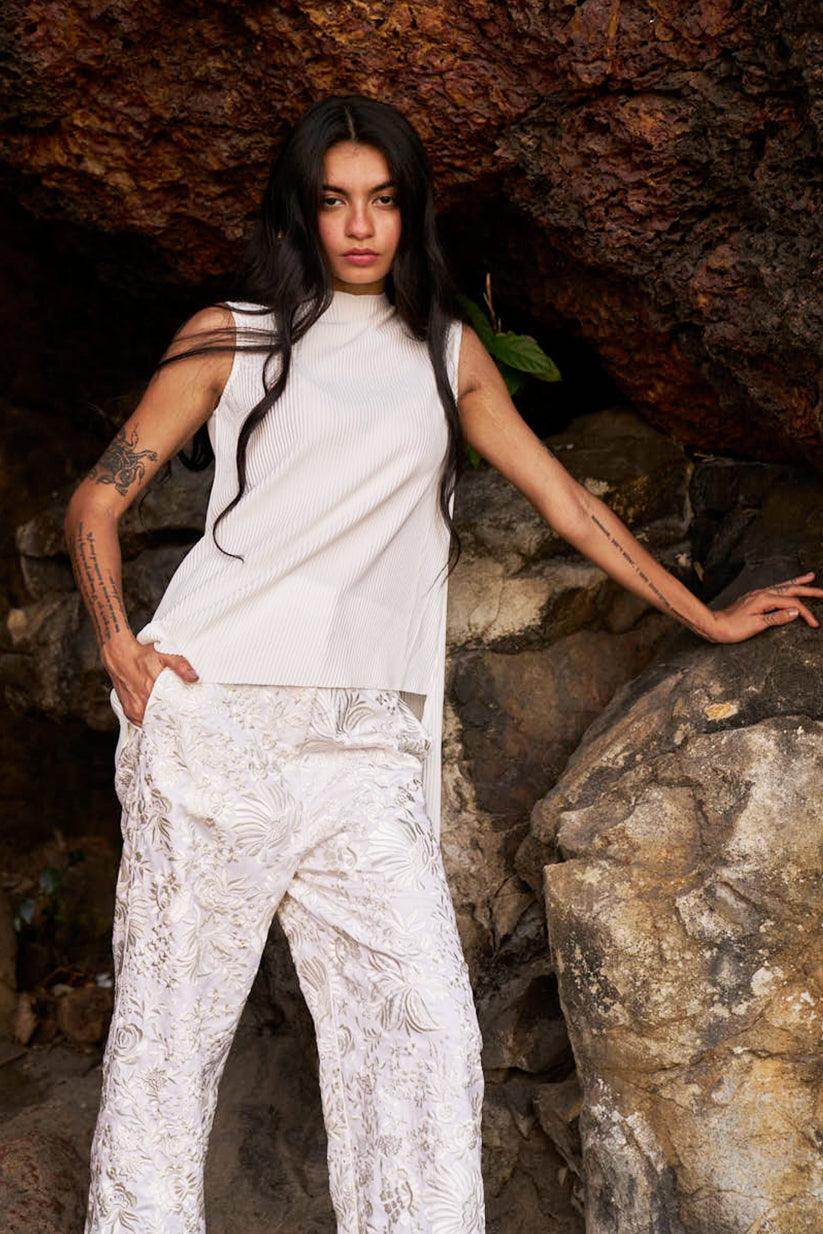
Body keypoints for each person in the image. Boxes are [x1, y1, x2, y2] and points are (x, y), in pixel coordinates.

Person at [65, 94, 821, 1234]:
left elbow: (566, 503)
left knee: (420, 1031)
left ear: (409, 212)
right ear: (302, 214)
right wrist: (117, 641)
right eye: (334, 201)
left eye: (382, 200)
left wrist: (705, 619)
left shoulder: (448, 355)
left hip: (365, 740)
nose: (359, 225)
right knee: (170, 1037)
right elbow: (97, 498)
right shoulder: (228, 337)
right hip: (217, 723)